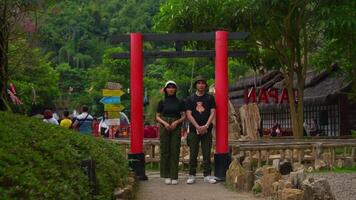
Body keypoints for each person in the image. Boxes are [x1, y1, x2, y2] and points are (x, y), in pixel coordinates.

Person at [185, 75, 217, 184]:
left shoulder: (210, 98)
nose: (201, 85)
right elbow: (188, 114)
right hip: (194, 129)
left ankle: (207, 175)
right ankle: (191, 174)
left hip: (207, 129)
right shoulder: (190, 98)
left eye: (203, 83)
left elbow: (213, 112)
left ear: (205, 85)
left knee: (207, 153)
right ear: (195, 85)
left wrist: (206, 125)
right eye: (198, 83)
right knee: (193, 152)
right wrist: (198, 126)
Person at [156, 80, 186, 185]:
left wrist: (176, 122)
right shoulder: (162, 102)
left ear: (175, 89)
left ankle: (174, 176)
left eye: (173, 87)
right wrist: (164, 123)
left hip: (176, 126)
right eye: (169, 87)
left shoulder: (180, 102)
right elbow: (157, 116)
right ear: (166, 89)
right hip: (164, 126)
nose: (171, 89)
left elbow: (184, 116)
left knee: (175, 150)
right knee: (165, 150)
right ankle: (166, 175)